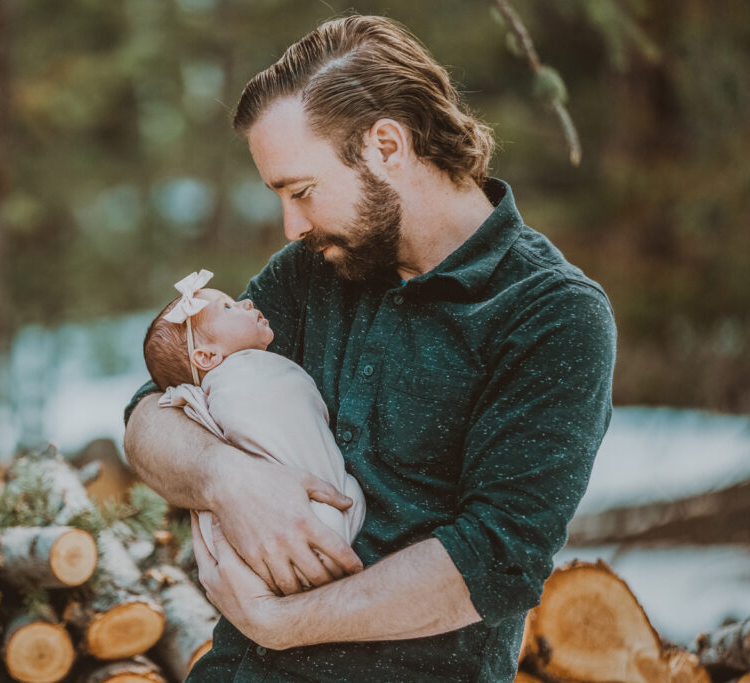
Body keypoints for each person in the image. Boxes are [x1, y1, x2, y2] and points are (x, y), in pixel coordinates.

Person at [123, 14, 616, 682]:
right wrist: (228, 478)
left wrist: (282, 622)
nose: (292, 225)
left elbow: (496, 557)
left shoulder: (553, 314)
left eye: (302, 192)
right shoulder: (309, 272)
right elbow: (152, 416)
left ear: (387, 146)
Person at [142, 269, 365, 572]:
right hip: (287, 506)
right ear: (207, 357)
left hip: (330, 487)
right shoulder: (230, 384)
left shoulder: (255, 369)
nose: (246, 304)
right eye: (228, 308)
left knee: (347, 496)